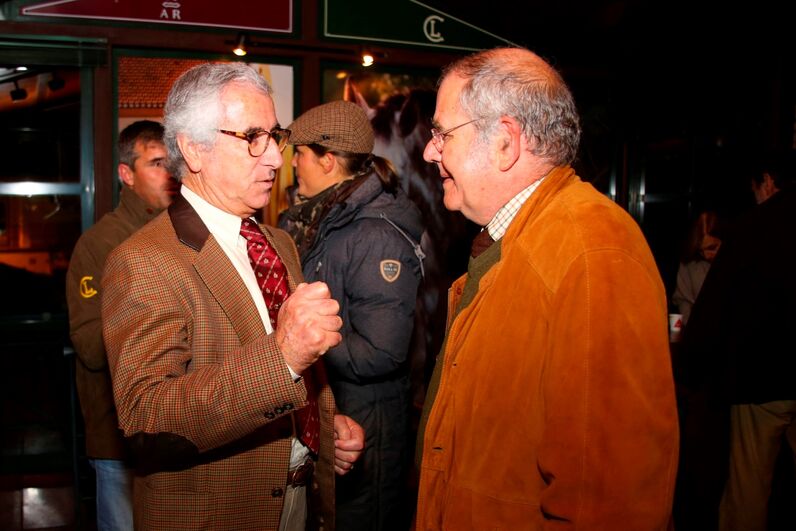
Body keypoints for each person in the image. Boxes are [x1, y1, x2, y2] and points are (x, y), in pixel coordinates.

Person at [414, 47, 679, 529]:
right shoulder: (515, 240)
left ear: (505, 142)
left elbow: (612, 497)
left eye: (442, 133)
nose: (430, 151)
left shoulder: (594, 252)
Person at [100, 63, 364, 530]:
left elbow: (300, 366)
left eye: (275, 136)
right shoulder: (143, 260)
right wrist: (280, 359)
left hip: (297, 499)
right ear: (193, 149)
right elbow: (147, 419)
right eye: (252, 138)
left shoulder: (276, 242)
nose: (276, 159)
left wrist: (322, 427)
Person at [278, 100, 423, 531]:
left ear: (327, 159)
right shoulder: (317, 219)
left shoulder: (374, 233)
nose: (293, 166)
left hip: (368, 420)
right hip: (332, 408)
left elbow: (383, 350)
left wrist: (298, 343)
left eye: (299, 154)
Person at [66, 120, 178, 530]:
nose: (170, 174)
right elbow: (91, 347)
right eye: (156, 164)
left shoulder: (184, 235)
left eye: (173, 163)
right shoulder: (100, 245)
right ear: (125, 174)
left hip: (177, 431)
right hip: (120, 438)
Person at [678, 151, 795, 531]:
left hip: (762, 379)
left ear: (767, 181)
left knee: (749, 485)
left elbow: (715, 308)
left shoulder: (756, 227)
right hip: (773, 372)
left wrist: (689, 369)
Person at [672, 210, 723, 325]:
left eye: (712, 248)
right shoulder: (690, 263)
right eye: (701, 251)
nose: (706, 255)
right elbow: (683, 300)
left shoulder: (737, 263)